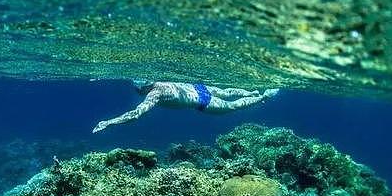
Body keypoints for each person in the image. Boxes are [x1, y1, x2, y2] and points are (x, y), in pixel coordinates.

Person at [92, 81, 279, 133]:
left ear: (142, 88)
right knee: (227, 92)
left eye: (138, 90)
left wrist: (109, 122)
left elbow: (136, 114)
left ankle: (263, 96)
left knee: (232, 106)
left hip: (201, 101)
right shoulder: (161, 82)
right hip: (198, 88)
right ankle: (251, 93)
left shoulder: (154, 93)